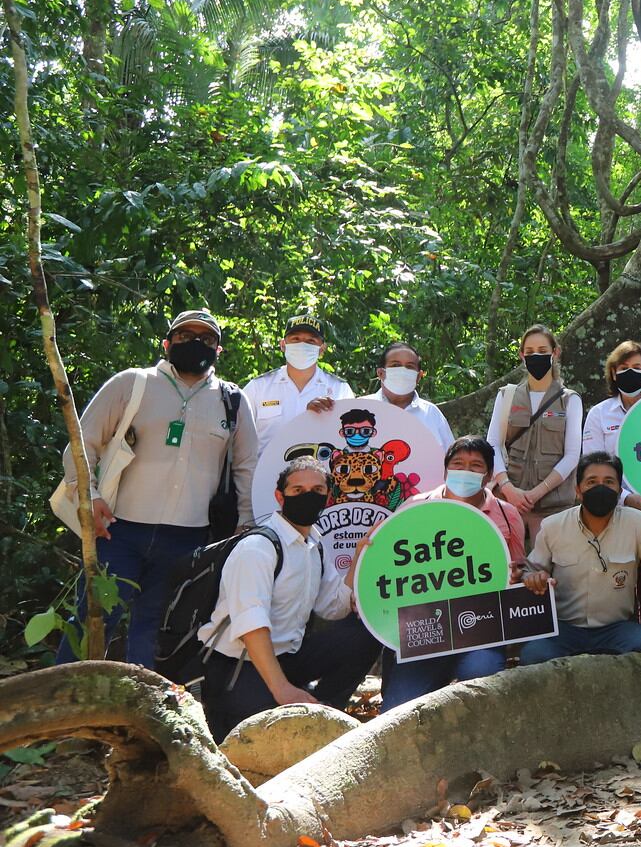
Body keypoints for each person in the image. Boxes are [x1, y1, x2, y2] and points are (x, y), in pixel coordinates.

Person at [56, 310, 258, 668]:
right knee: (94, 619)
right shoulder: (133, 384)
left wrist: (246, 522)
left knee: (157, 630)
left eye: (206, 338)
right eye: (185, 336)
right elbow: (83, 440)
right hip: (119, 530)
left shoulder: (233, 401)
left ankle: (141, 716)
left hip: (189, 540)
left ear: (218, 350)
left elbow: (246, 466)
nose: (196, 343)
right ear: (166, 343)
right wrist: (90, 496)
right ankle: (61, 704)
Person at [197, 457, 375, 741]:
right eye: (297, 490)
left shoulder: (314, 546)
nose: (308, 496)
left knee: (362, 634)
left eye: (317, 491)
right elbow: (251, 625)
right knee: (265, 739)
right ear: (280, 496)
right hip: (238, 667)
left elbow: (335, 608)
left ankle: (325, 712)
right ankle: (293, 708)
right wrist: (282, 690)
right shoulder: (258, 548)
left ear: (327, 497)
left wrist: (359, 558)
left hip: (288, 657)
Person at [518, 452, 641, 664]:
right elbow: (530, 570)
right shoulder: (553, 527)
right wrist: (532, 577)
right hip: (564, 628)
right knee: (533, 656)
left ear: (619, 491)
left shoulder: (638, 524)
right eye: (592, 482)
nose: (600, 488)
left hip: (617, 629)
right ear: (578, 491)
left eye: (609, 482)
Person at [381, 437, 524, 709]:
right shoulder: (415, 507)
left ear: (488, 475)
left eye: (475, 466)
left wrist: (524, 576)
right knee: (395, 711)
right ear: (446, 470)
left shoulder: (508, 515)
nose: (465, 471)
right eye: (458, 464)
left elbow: (518, 566)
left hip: (482, 628)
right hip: (426, 631)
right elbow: (391, 567)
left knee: (482, 673)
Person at [582, 340, 641, 633]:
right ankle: (616, 639)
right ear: (612, 373)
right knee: (615, 577)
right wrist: (625, 498)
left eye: (637, 368)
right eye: (623, 368)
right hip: (613, 510)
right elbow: (591, 467)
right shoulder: (599, 414)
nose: (630, 373)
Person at [486, 324, 582, 544]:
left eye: (542, 351)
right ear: (521, 355)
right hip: (509, 502)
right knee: (511, 568)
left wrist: (536, 493)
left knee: (550, 572)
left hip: (553, 507)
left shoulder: (569, 400)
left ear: (554, 353)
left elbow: (572, 455)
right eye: (529, 352)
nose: (535, 356)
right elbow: (492, 444)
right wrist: (509, 489)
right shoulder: (507, 396)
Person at [243, 314, 353, 463]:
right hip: (264, 481)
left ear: (321, 350)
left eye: (310, 341)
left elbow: (350, 441)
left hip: (321, 481)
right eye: (295, 339)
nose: (302, 345)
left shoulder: (339, 390)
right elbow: (239, 441)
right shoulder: (258, 388)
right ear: (283, 345)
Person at [362, 341, 453, 450]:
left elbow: (450, 459)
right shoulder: (360, 408)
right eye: (395, 365)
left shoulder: (432, 415)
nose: (403, 371)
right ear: (381, 373)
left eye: (409, 366)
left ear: (418, 376)